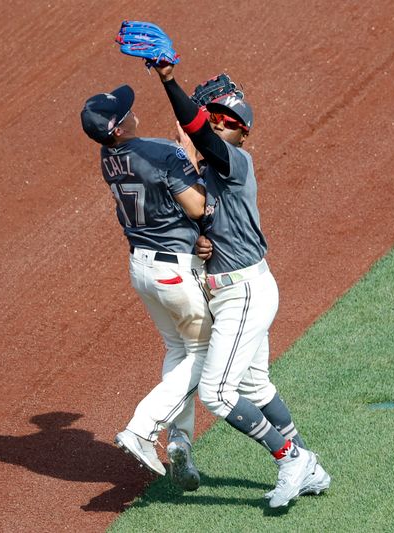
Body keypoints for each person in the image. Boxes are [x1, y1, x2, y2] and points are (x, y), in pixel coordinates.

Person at [149, 62, 332, 508]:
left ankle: (290, 459)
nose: (215, 124)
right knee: (255, 388)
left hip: (245, 292)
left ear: (241, 131)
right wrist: (201, 238)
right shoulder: (201, 176)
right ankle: (310, 465)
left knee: (216, 392)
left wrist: (169, 81)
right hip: (234, 289)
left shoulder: (233, 161)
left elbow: (199, 132)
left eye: (224, 120)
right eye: (213, 117)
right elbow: (194, 222)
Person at [80, 85, 211, 491]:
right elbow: (198, 206)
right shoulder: (160, 153)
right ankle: (141, 429)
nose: (133, 111)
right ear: (118, 128)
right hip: (176, 272)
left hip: (142, 269)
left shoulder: (107, 157)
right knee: (206, 353)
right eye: (126, 111)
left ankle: (181, 441)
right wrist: (190, 158)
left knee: (180, 351)